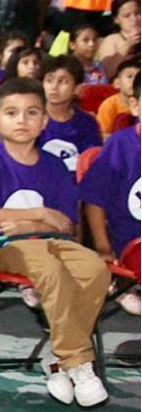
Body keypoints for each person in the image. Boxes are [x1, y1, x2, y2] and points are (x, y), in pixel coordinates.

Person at [0, 77, 110, 407]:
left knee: (95, 269)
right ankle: (78, 362)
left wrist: (28, 221)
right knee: (49, 268)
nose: (22, 120)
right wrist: (40, 213)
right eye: (12, 113)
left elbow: (64, 221)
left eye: (32, 112)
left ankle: (58, 358)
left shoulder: (53, 165)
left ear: (44, 120)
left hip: (52, 239)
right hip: (1, 245)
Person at [82, 83, 141, 316]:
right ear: (135, 106)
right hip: (133, 245)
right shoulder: (120, 145)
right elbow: (95, 199)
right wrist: (103, 247)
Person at [37, 55, 102, 173]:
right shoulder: (32, 119)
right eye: (49, 80)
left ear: (77, 88)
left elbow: (92, 163)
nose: (54, 87)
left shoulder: (87, 123)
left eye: (63, 81)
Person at [97, 0, 140, 78]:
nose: (134, 19)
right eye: (127, 16)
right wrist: (128, 45)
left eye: (137, 13)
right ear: (116, 19)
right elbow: (106, 72)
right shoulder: (112, 40)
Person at [97, 59, 140, 137]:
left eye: (137, 77)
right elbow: (102, 135)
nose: (134, 81)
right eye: (129, 76)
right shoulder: (109, 105)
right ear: (117, 83)